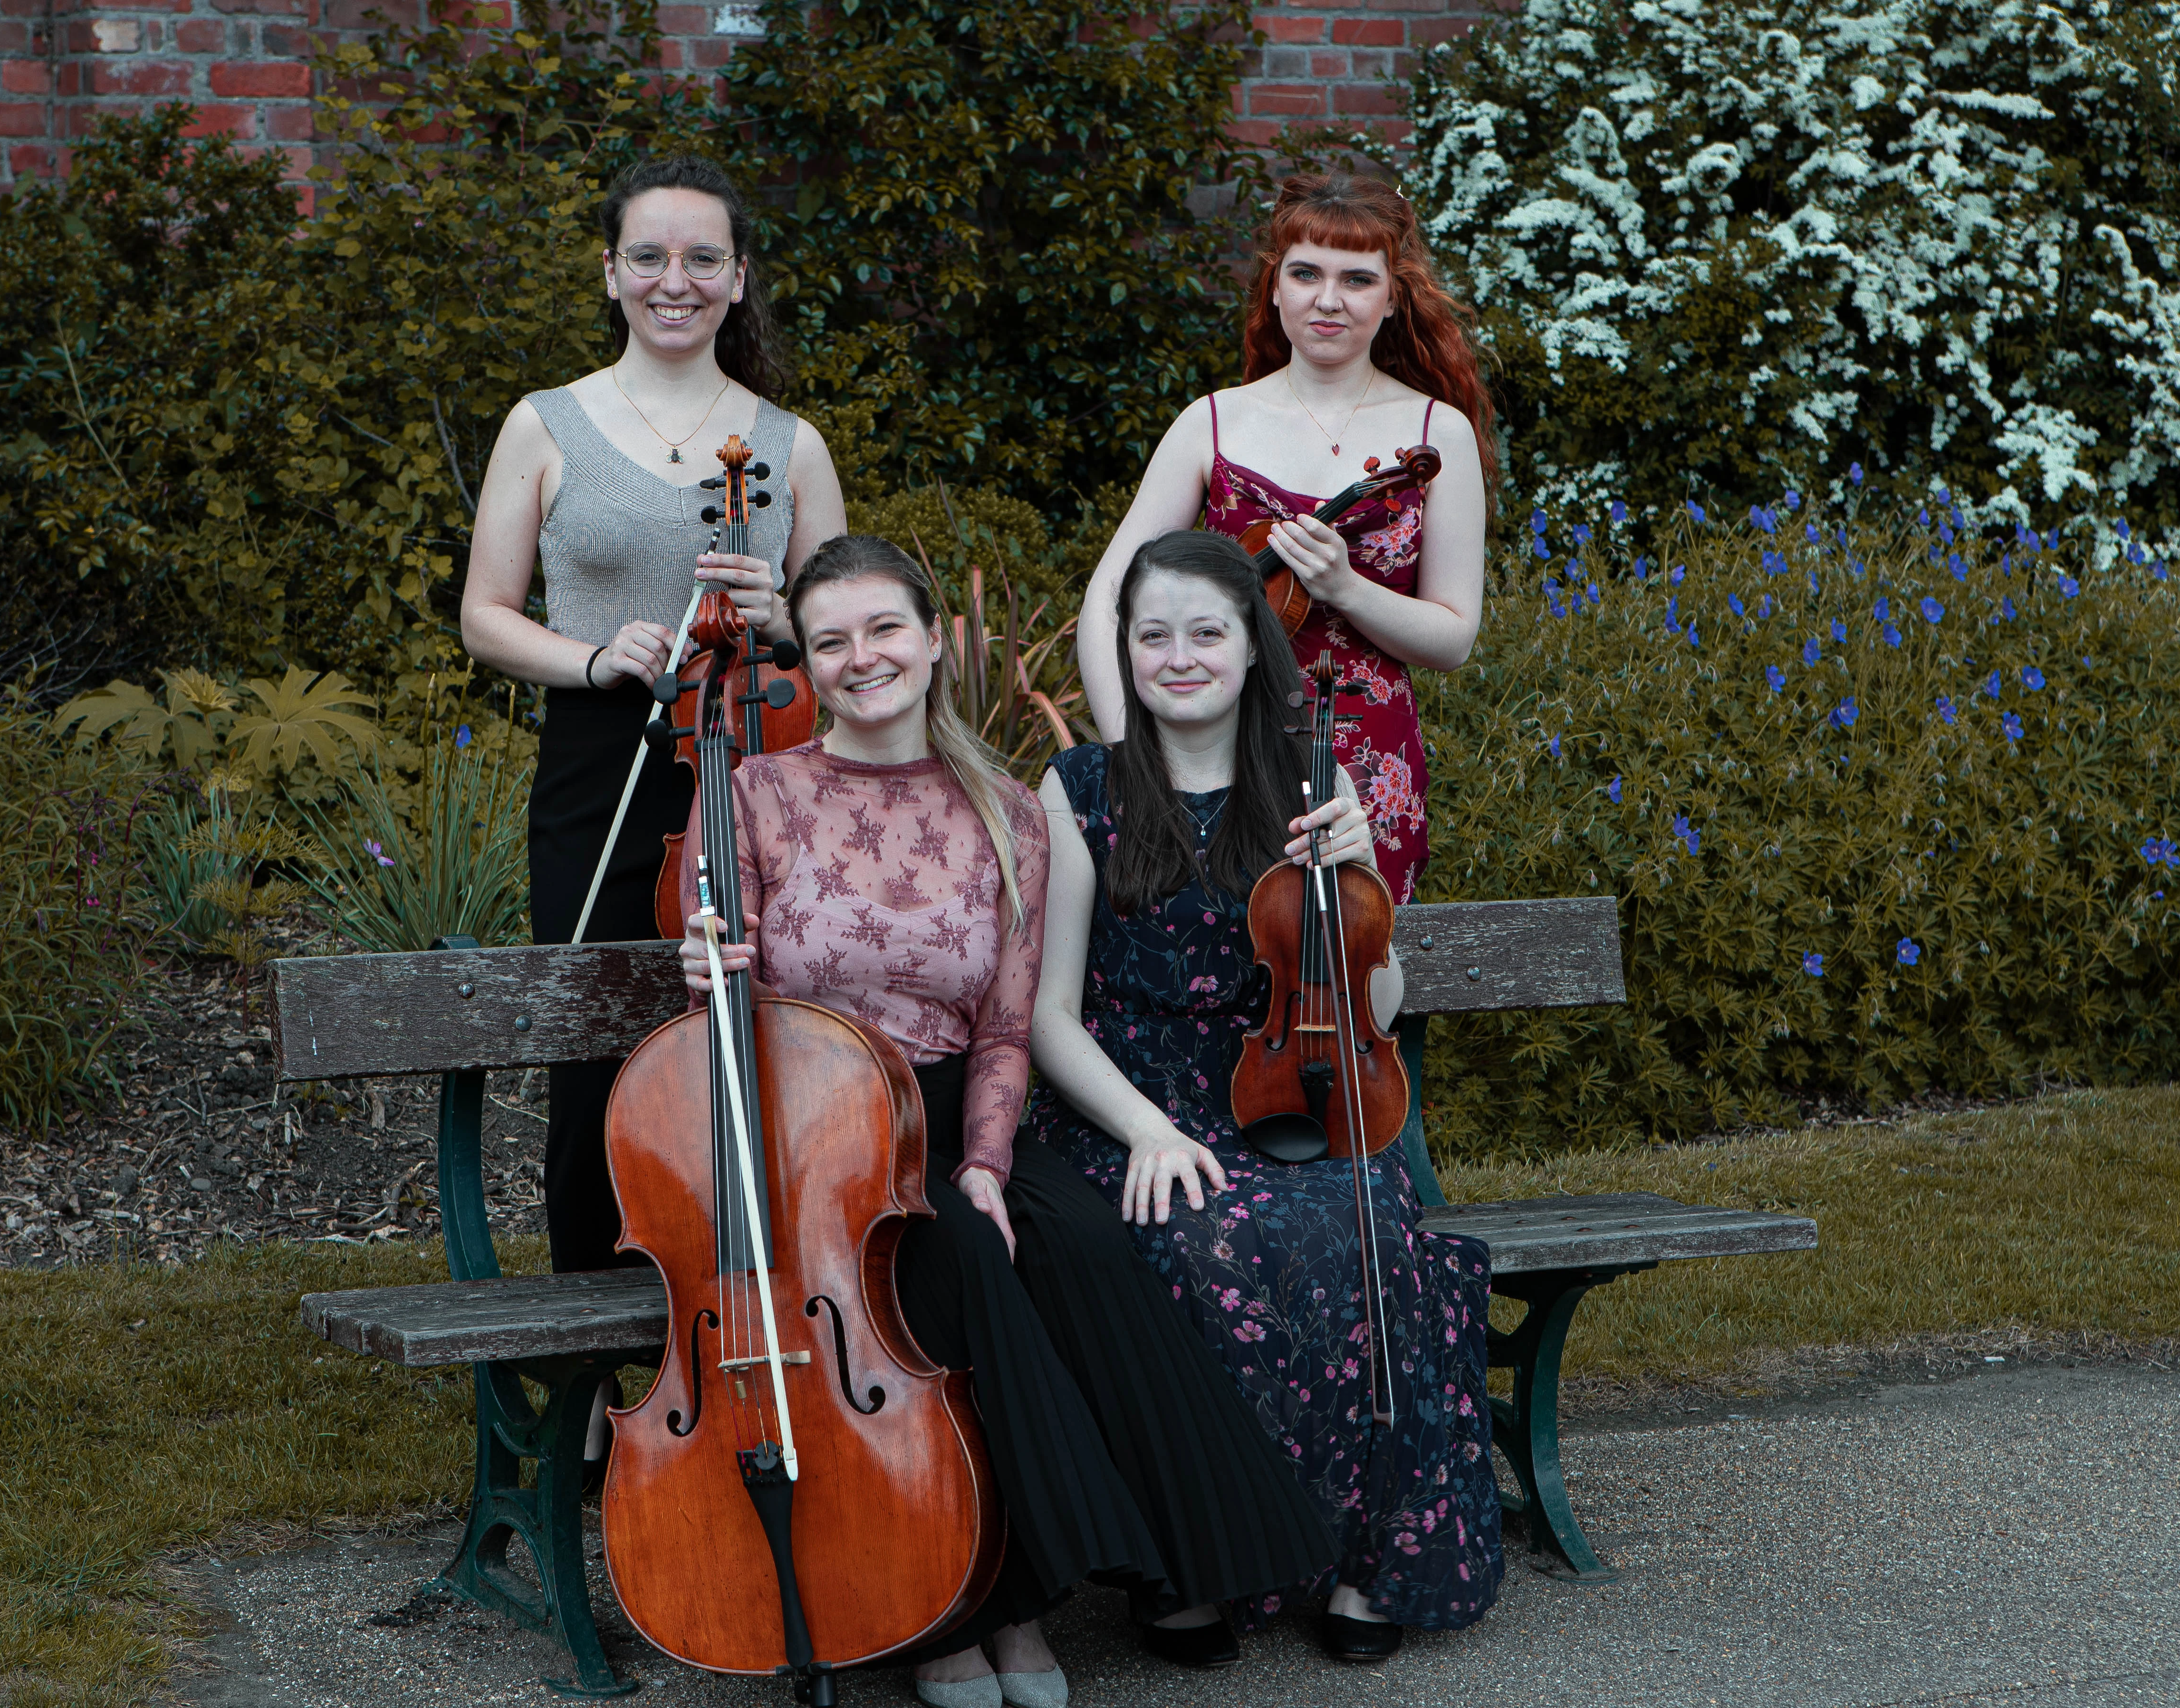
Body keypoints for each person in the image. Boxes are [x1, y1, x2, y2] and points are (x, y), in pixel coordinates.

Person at [679, 535, 1338, 1706]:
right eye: (830, 641)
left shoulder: (1004, 807)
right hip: (804, 1119)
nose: (860, 658)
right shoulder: (750, 796)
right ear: (810, 665)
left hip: (954, 1108)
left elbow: (1003, 1023)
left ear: (934, 642)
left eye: (884, 630)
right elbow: (715, 990)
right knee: (964, 1258)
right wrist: (707, 962)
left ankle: (1164, 1567)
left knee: (1078, 1242)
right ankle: (977, 1612)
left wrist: (985, 1157)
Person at [1024, 530, 1505, 1661]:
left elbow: (1374, 1004)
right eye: (1154, 636)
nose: (1179, 656)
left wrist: (1359, 875)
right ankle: (1200, 1569)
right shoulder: (1080, 787)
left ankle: (1358, 1562)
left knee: (1366, 1231)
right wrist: (1143, 1128)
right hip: (1129, 1107)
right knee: (1194, 1241)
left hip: (1295, 1087)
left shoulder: (1312, 780)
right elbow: (1048, 1015)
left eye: (1206, 632)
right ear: (1127, 654)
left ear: (1252, 649)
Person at [460, 154, 848, 1285]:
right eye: (648, 257)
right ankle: (594, 1354)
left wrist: (785, 615)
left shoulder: (788, 443)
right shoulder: (546, 426)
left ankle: (743, 1322)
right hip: (604, 760)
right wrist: (591, 656)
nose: (673, 280)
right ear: (610, 272)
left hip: (761, 762)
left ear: (738, 279)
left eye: (701, 258)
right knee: (601, 1063)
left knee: (758, 1046)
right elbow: (484, 617)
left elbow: (843, 643)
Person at [1074, 171, 1493, 908]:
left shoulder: (1437, 435)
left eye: (1356, 279)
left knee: (1350, 978)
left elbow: (1452, 638)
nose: (1327, 300)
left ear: (1392, 298)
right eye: (1305, 273)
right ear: (1274, 287)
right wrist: (1131, 750)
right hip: (1215, 747)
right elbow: (1111, 592)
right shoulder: (1212, 424)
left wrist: (1346, 590)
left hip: (1368, 760)